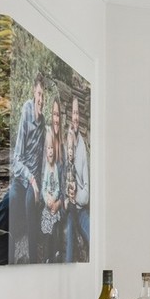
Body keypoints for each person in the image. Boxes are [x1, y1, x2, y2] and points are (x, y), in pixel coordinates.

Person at [0, 71, 47, 263]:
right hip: (23, 178)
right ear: (33, 94)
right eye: (38, 94)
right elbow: (16, 159)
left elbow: (45, 158)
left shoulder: (43, 123)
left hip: (34, 181)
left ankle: (33, 258)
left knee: (30, 204)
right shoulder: (26, 111)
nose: (41, 99)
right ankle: (7, 259)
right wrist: (31, 178)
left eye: (43, 95)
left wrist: (39, 186)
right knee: (10, 201)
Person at [63, 93, 90, 262]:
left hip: (81, 208)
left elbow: (86, 193)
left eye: (77, 113)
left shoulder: (83, 148)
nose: (75, 117)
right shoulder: (66, 143)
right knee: (69, 244)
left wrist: (76, 197)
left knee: (93, 235)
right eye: (73, 113)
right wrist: (67, 199)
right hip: (68, 210)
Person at [38, 103, 64, 262]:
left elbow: (59, 188)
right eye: (48, 149)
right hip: (47, 203)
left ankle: (56, 252)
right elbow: (44, 187)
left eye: (52, 149)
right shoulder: (46, 168)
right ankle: (48, 255)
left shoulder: (55, 166)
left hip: (55, 203)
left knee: (56, 226)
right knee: (46, 227)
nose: (50, 152)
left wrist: (55, 200)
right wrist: (47, 198)